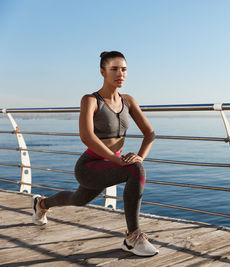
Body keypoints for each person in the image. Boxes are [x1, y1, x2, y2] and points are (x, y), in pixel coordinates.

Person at [31, 51, 158, 257]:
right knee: (135, 170)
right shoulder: (90, 100)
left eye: (124, 69)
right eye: (114, 69)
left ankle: (41, 204)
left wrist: (140, 155)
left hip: (111, 164)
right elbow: (87, 137)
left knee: (78, 199)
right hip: (89, 166)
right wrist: (118, 159)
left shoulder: (129, 101)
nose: (120, 74)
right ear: (102, 72)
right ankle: (132, 237)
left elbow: (150, 133)